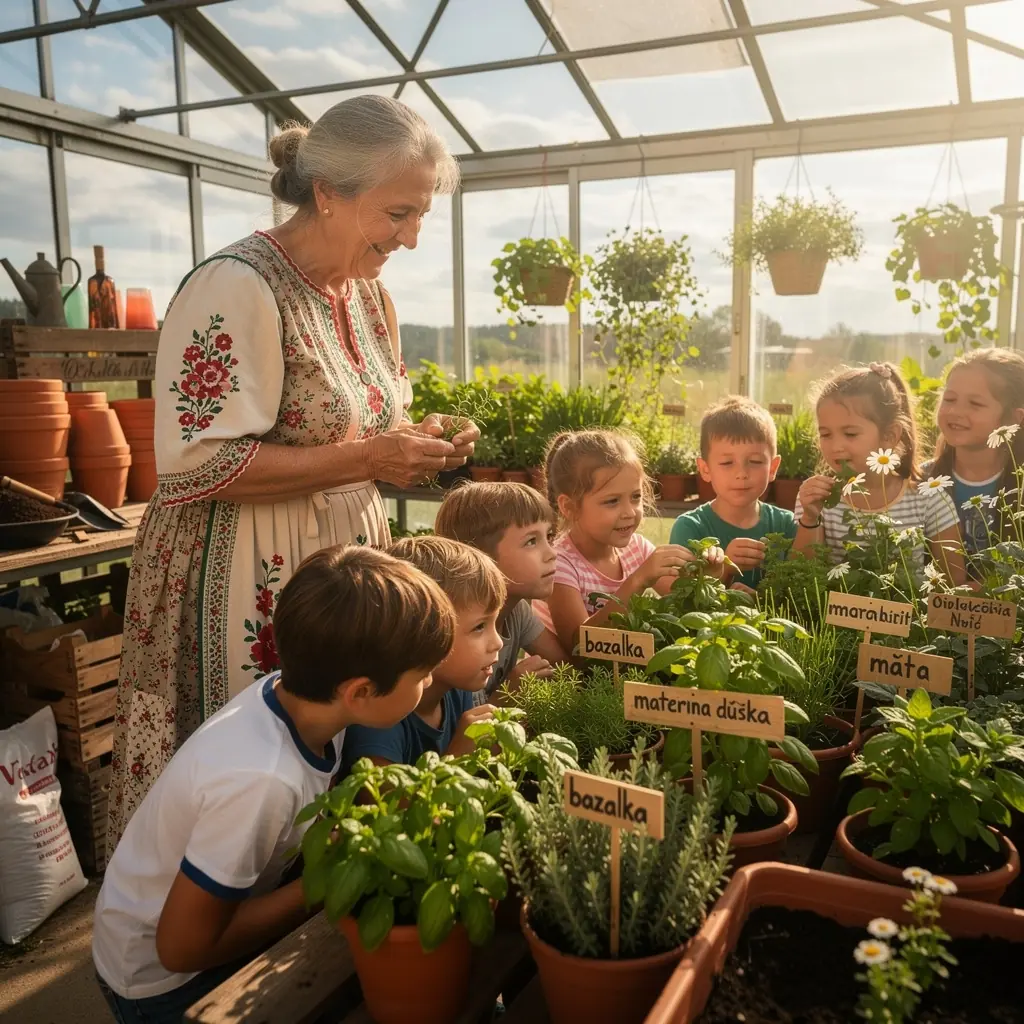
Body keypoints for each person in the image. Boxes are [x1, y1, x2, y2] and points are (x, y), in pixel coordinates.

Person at [107, 95, 479, 853]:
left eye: (420, 216)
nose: (411, 238)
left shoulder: (369, 295)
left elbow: (357, 425)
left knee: (341, 765)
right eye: (398, 214)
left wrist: (417, 439)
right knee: (252, 779)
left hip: (339, 557)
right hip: (243, 566)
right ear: (329, 193)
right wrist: (369, 458)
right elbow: (196, 461)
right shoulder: (235, 284)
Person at [92, 546, 456, 1024]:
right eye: (422, 676)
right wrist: (327, 882)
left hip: (205, 925)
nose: (430, 683)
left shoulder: (301, 695)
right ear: (361, 693)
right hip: (163, 982)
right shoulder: (262, 779)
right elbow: (181, 949)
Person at [540, 429, 724, 655]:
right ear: (569, 507)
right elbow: (579, 647)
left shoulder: (637, 548)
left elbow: (681, 599)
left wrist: (707, 576)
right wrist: (638, 580)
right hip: (563, 676)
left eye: (635, 497)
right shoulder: (559, 564)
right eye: (612, 501)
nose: (629, 512)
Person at [793, 361, 965, 584]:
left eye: (850, 434)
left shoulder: (928, 498)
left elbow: (954, 582)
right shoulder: (815, 497)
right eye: (826, 434)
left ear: (889, 436)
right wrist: (810, 517)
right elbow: (801, 577)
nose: (835, 446)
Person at [341, 537, 505, 770]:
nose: (497, 642)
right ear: (425, 633)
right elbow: (382, 793)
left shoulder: (457, 688)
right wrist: (457, 757)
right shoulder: (381, 714)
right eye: (479, 627)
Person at [433, 480, 568, 703]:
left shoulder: (517, 610)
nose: (552, 553)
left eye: (550, 537)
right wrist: (510, 693)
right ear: (479, 557)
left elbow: (565, 667)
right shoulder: (458, 629)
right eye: (532, 541)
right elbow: (467, 722)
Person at [669, 397, 796, 589]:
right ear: (705, 469)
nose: (741, 474)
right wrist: (725, 570)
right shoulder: (689, 528)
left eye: (755, 461)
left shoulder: (787, 525)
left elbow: (800, 595)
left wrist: (760, 601)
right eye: (727, 463)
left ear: (773, 468)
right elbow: (682, 598)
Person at [925, 347, 1024, 558]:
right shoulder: (921, 480)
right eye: (949, 399)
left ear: (1015, 418)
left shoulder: (1020, 484)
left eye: (975, 404)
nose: (955, 411)